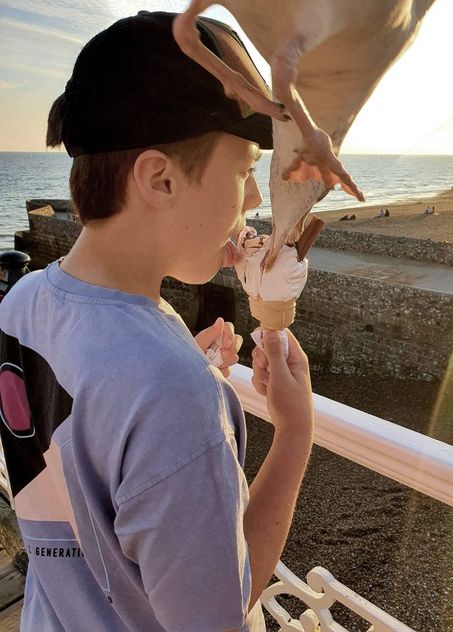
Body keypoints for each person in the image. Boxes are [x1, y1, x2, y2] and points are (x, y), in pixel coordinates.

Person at [0, 12, 314, 632]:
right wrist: (295, 434)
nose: (254, 200)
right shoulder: (171, 392)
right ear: (160, 179)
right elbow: (215, 616)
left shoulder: (24, 302)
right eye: (246, 169)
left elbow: (83, 447)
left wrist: (175, 363)